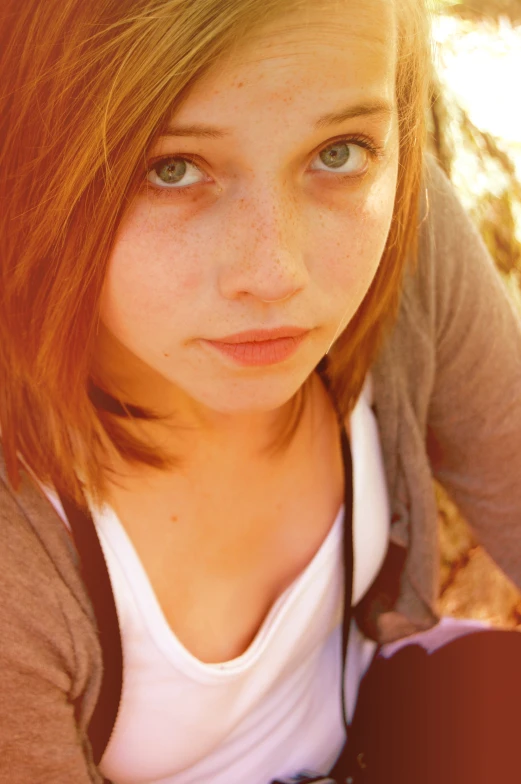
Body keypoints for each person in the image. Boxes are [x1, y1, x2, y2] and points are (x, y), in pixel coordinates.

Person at [0, 0, 520, 782]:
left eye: (339, 152)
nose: (278, 275)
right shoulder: (20, 555)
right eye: (169, 168)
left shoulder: (402, 246)